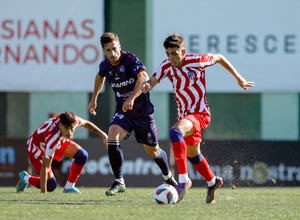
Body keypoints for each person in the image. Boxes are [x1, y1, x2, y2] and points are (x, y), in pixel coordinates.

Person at [141, 33, 255, 203]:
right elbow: (152, 80)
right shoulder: (166, 66)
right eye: (168, 54)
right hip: (185, 116)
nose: (171, 58)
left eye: (174, 53)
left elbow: (219, 57)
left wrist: (239, 78)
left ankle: (183, 180)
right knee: (194, 154)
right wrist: (146, 85)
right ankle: (213, 181)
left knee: (175, 132)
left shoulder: (197, 60)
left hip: (200, 113)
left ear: (183, 51)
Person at [88, 32, 177, 196]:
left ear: (119, 46)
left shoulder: (130, 60)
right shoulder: (105, 66)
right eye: (108, 50)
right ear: (104, 51)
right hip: (124, 112)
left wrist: (131, 98)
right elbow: (100, 77)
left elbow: (143, 77)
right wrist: (94, 98)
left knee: (153, 151)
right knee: (112, 136)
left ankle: (168, 176)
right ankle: (119, 181)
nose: (112, 53)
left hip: (143, 113)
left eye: (114, 49)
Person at [16, 111, 108, 193]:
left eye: (72, 129)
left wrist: (103, 135)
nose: (70, 132)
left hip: (58, 139)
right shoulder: (52, 139)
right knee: (51, 185)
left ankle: (69, 187)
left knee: (82, 155)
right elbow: (45, 166)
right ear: (60, 125)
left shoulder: (73, 120)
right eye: (67, 129)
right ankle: (25, 178)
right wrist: (43, 193)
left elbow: (86, 124)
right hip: (37, 149)